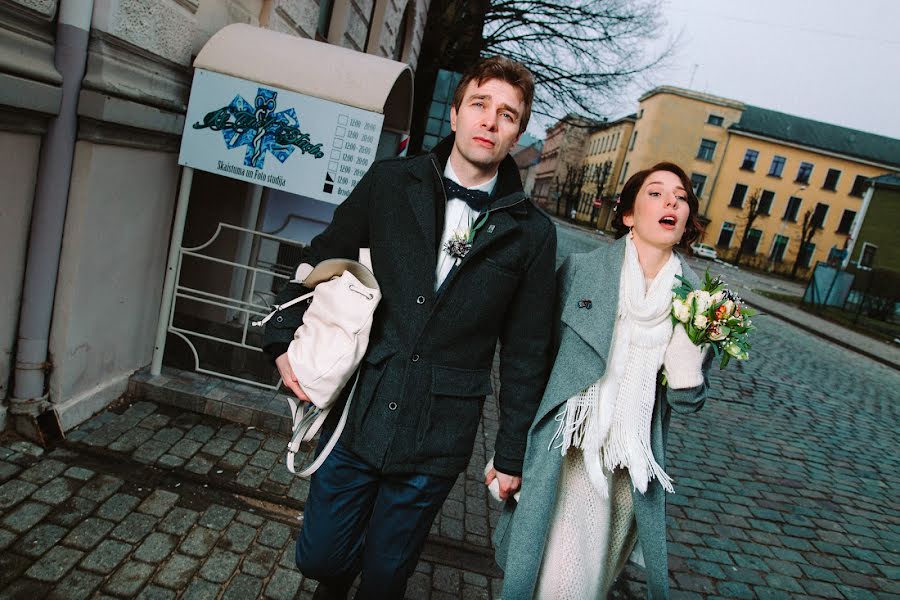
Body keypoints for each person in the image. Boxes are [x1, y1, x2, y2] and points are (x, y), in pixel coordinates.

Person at [263, 56, 557, 599]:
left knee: (385, 577)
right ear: (454, 114)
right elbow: (324, 257)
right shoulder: (390, 183)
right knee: (322, 553)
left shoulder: (532, 234)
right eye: (480, 105)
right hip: (359, 406)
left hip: (439, 429)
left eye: (508, 115)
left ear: (517, 132)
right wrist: (281, 338)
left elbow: (527, 351)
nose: (491, 121)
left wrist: (512, 450)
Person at [493, 162, 713, 599]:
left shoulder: (699, 299)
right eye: (655, 193)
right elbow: (534, 362)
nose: (671, 201)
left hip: (630, 468)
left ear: (687, 218)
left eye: (681, 196)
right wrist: (510, 453)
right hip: (567, 453)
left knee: (587, 583)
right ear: (628, 214)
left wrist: (688, 353)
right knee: (559, 581)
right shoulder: (581, 272)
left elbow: (688, 401)